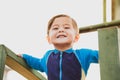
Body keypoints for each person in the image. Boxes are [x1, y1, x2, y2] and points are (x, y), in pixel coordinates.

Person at [18, 14, 99, 80]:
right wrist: (25, 56)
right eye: (55, 28)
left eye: (66, 27)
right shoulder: (48, 56)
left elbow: (104, 54)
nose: (61, 30)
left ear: (76, 37)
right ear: (49, 39)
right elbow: (38, 63)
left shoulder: (83, 54)